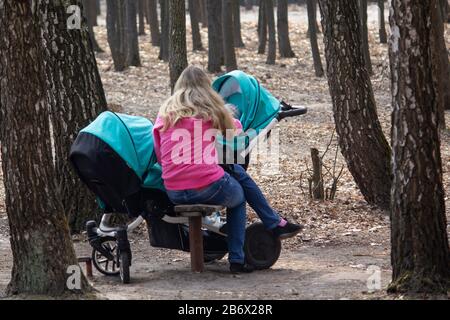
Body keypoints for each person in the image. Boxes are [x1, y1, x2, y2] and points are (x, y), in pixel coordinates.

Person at [153, 65, 303, 274]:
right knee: (238, 195)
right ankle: (238, 257)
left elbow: (160, 155)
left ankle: (273, 222)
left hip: (174, 189)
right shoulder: (209, 111)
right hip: (205, 185)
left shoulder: (164, 115)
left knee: (232, 171)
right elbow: (237, 131)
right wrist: (228, 113)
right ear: (206, 87)